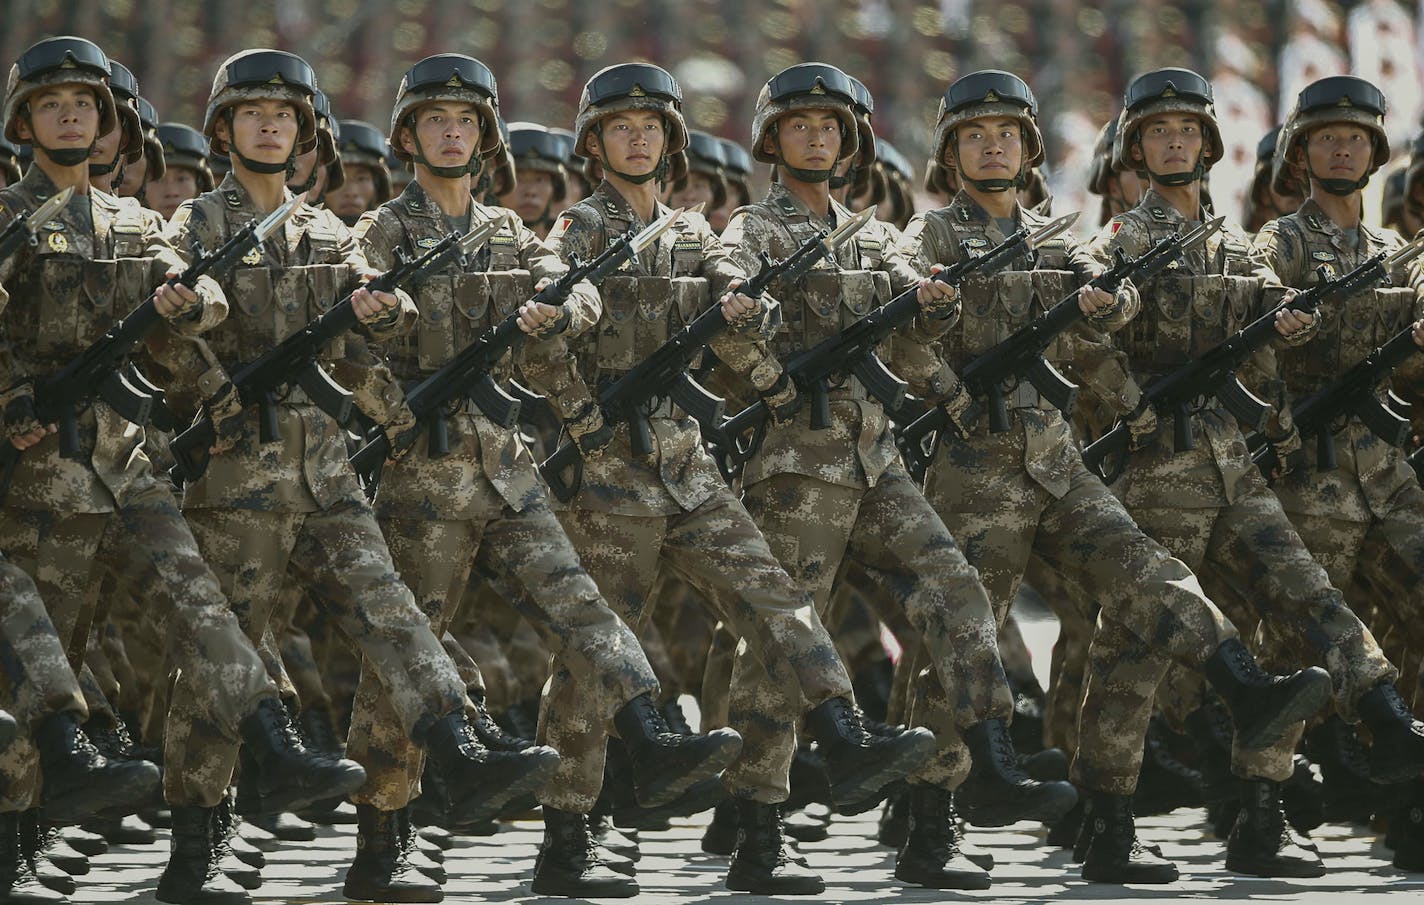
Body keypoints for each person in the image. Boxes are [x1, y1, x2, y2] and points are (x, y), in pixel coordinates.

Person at [157, 48, 559, 902]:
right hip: (237, 472)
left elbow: (364, 328)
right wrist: (218, 400)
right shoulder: (192, 225)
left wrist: (387, 333)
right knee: (231, 647)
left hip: (329, 469)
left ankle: (451, 751)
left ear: (307, 135)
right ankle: (199, 836)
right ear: (224, 129)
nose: (271, 128)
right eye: (254, 114)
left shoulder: (331, 231)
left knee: (396, 616)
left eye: (286, 117)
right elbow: (166, 332)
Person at [532, 61, 935, 896]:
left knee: (780, 606)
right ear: (596, 143)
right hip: (610, 474)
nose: (638, 138)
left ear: (670, 142)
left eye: (652, 127)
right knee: (595, 652)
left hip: (687, 466)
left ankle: (820, 756)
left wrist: (753, 316)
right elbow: (545, 329)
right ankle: (569, 837)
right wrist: (581, 418)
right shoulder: (577, 229)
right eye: (621, 128)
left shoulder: (693, 236)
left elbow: (734, 296)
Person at [348, 52, 741, 901]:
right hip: (423, 472)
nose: (451, 133)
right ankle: (384, 832)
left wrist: (562, 309)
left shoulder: (507, 232)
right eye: (435, 121)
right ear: (409, 138)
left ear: (482, 136)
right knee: (409, 650)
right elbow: (353, 307)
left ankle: (648, 732)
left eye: (464, 121)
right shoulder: (384, 231)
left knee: (586, 608)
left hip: (507, 467)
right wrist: (382, 318)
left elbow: (579, 293)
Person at [0, 37, 367, 905]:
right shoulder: (9, 216)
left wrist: (189, 301)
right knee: (49, 648)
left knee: (202, 604)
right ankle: (20, 835)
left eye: (85, 107)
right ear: (24, 120)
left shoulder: (131, 222)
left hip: (126, 462)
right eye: (53, 105)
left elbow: (199, 294)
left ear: (108, 126)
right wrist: (15, 398)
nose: (71, 118)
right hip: (39, 468)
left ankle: (268, 742)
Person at [1083, 67, 1421, 880]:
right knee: (1135, 650)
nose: (1175, 144)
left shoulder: (1238, 246)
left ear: (1208, 146)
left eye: (1188, 133)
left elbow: (1273, 321)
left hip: (1236, 466)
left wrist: (1290, 327)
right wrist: (1130, 403)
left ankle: (1372, 726)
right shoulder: (1124, 238)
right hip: (1159, 468)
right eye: (1159, 133)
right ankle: (1107, 819)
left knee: (1312, 598)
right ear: (1137, 146)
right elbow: (1091, 312)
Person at [1252, 74, 1424, 873]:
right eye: (1327, 138)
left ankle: (1409, 798)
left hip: (1387, 475)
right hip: (1312, 473)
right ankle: (1263, 809)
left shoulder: (1395, 255)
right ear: (1303, 153)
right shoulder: (1280, 244)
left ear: (1376, 153)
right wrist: (1282, 323)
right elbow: (1255, 328)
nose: (1344, 148)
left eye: (1356, 138)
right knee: (1300, 648)